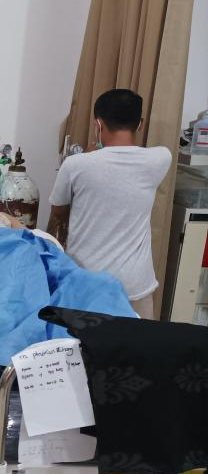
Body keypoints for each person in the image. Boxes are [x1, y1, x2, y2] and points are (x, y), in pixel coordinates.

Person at [47, 89, 171, 319]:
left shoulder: (76, 164)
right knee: (139, 341)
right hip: (135, 286)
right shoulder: (160, 158)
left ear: (98, 124)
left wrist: (87, 153)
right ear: (140, 124)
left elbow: (58, 211)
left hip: (87, 282)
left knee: (80, 342)